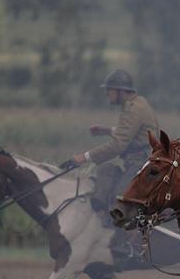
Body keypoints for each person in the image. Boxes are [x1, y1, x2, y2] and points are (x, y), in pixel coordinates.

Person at [65, 69, 160, 211]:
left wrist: (84, 157)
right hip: (143, 161)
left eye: (110, 90)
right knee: (105, 172)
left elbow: (117, 146)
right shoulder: (138, 102)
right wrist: (107, 130)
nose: (107, 93)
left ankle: (126, 232)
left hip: (142, 163)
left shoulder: (132, 109)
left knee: (119, 199)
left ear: (121, 92)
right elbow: (133, 133)